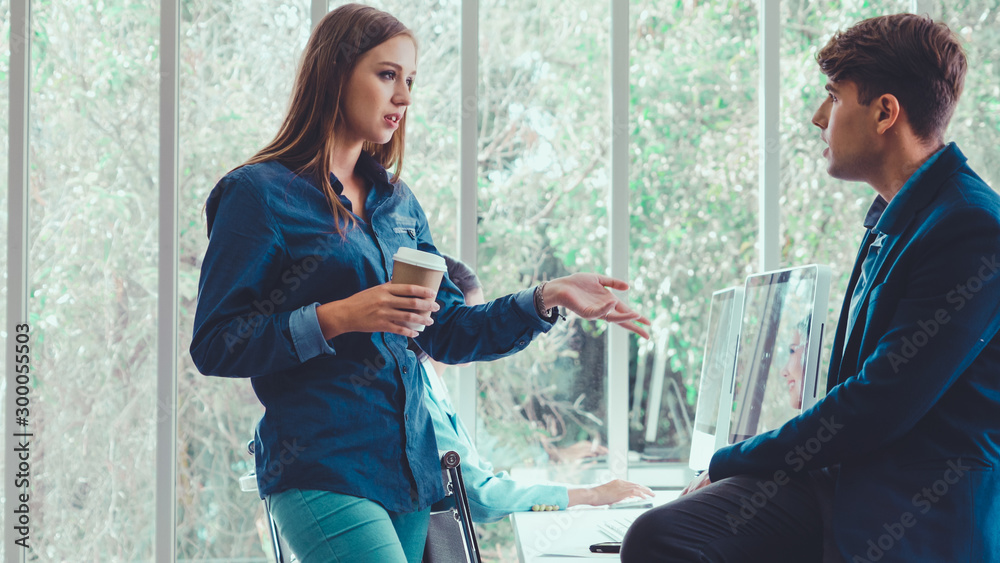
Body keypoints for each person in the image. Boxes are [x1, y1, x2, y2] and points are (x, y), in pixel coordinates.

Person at [189, 4, 650, 563]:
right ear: (335, 74)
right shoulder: (258, 194)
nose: (403, 97)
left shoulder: (398, 203)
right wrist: (343, 315)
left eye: (409, 80)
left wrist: (545, 297)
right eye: (387, 75)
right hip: (321, 466)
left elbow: (449, 333)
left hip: (409, 472)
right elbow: (217, 343)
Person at [621, 13, 1000, 563]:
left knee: (665, 538)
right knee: (663, 532)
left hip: (909, 514)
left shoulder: (971, 227)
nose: (818, 117)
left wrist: (733, 460)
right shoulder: (898, 217)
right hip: (845, 488)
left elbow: (878, 404)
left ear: (885, 112)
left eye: (834, 96)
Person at [418, 255, 653, 522]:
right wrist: (590, 495)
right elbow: (481, 497)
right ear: (445, 314)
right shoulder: (419, 395)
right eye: (474, 312)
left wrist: (558, 460)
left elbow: (483, 472)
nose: (480, 325)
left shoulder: (435, 387)